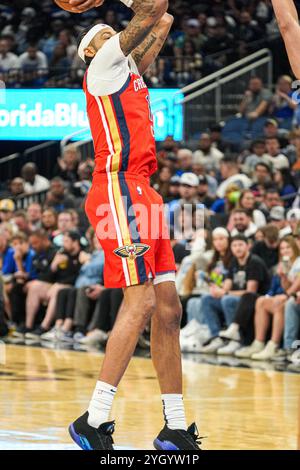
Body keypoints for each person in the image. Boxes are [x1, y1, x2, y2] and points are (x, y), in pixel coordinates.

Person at [69, 0, 201, 451]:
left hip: (142, 189)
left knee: (169, 310)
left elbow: (161, 19)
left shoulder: (128, 70)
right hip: (118, 188)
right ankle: (94, 418)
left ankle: (175, 427)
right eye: (105, 33)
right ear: (92, 52)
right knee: (141, 302)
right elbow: (151, 10)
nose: (113, 34)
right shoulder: (104, 64)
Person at [199, 235, 269, 354]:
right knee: (207, 299)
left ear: (248, 246)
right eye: (234, 245)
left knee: (228, 300)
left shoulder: (254, 262)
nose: (237, 248)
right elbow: (227, 284)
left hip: (253, 300)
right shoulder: (234, 262)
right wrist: (218, 290)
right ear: (231, 248)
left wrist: (225, 293)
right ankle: (217, 337)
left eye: (240, 245)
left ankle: (235, 339)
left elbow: (251, 291)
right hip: (236, 297)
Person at [236, 236, 300, 360]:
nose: (285, 250)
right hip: (290, 295)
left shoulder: (299, 262)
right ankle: (258, 343)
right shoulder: (284, 264)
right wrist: (283, 277)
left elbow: (293, 288)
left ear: (295, 247)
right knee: (260, 301)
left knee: (280, 301)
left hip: (293, 297)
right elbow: (286, 287)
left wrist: (287, 294)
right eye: (282, 248)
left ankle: (274, 346)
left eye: (288, 247)